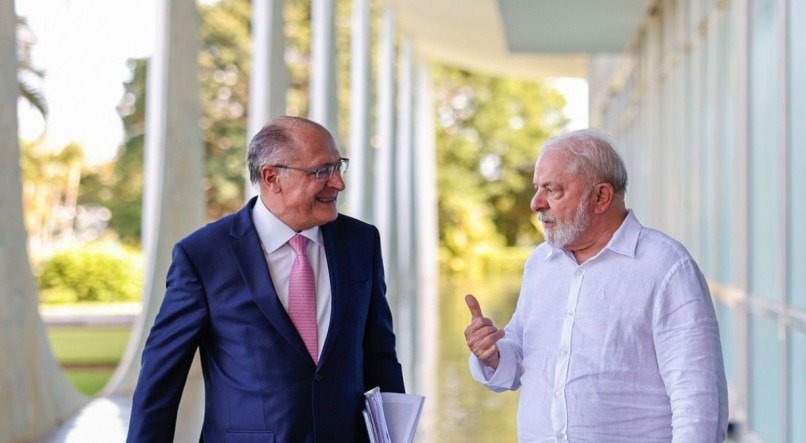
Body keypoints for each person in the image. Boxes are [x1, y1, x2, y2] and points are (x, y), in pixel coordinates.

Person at [128, 116, 405, 442]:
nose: (337, 183)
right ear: (272, 177)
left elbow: (380, 356)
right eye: (321, 172)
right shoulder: (203, 256)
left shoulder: (361, 242)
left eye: (338, 167)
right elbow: (161, 378)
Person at [464, 129, 728, 442]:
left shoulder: (666, 266)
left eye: (552, 190)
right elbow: (521, 361)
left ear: (601, 197)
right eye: (537, 189)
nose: (536, 203)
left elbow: (698, 402)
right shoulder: (540, 263)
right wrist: (491, 354)